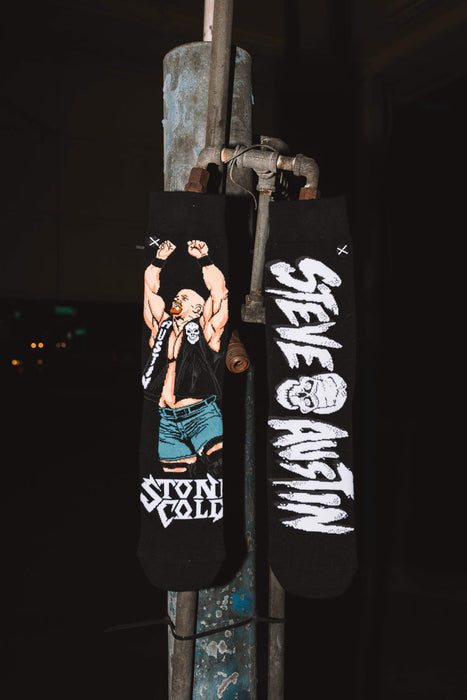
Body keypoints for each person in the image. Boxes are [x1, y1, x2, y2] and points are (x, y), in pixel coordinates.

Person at [142, 239, 228, 473]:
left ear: (198, 309)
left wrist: (204, 259)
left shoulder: (206, 331)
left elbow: (219, 294)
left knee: (218, 470)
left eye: (184, 299)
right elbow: (150, 292)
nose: (177, 300)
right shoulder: (162, 329)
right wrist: (158, 261)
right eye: (177, 297)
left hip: (202, 417)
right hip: (167, 420)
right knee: (175, 483)